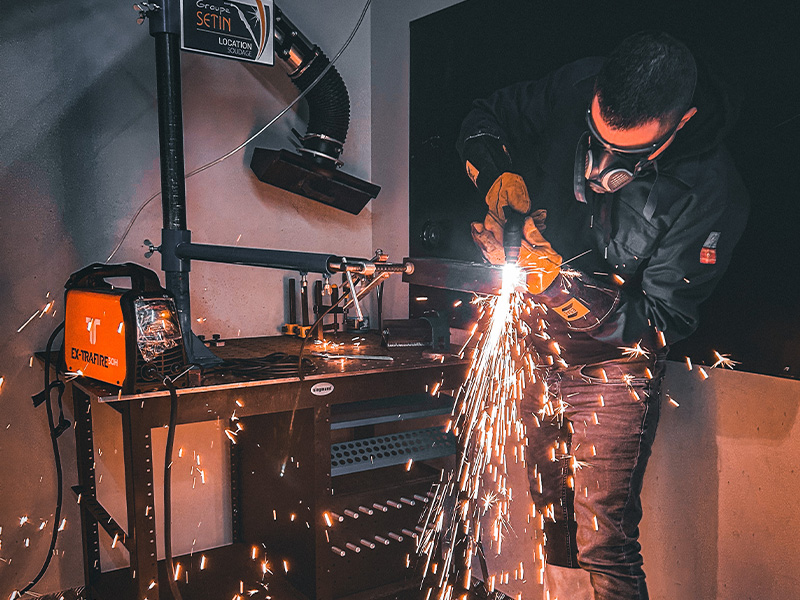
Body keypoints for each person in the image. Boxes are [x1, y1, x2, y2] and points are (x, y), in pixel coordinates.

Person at [456, 31, 749, 600]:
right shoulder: (574, 84)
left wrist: (559, 286)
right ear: (594, 96)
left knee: (603, 543)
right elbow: (483, 117)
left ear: (680, 122)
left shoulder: (712, 191)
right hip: (530, 344)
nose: (599, 167)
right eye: (594, 138)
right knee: (545, 523)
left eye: (629, 155)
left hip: (613, 373)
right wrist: (495, 173)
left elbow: (662, 321)